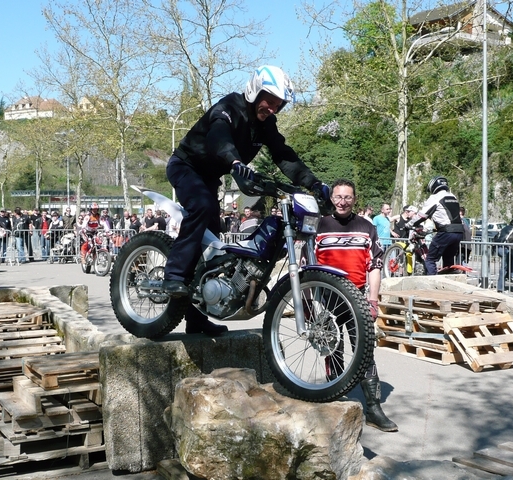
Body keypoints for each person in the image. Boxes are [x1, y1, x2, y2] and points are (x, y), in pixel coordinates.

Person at [161, 65, 328, 336]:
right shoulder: (229, 106)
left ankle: (197, 319)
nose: (272, 109)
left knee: (211, 246)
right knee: (202, 206)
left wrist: (314, 184)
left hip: (211, 178)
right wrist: (235, 161)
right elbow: (218, 136)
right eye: (269, 101)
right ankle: (174, 275)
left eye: (278, 105)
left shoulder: (266, 124)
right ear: (254, 91)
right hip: (186, 167)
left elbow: (283, 154)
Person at [314, 179, 397, 432]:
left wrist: (373, 301)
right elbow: (306, 264)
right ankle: (335, 402)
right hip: (326, 299)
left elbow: (375, 266)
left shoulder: (366, 227)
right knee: (332, 350)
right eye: (338, 197)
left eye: (347, 197)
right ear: (331, 199)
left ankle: (373, 408)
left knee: (365, 352)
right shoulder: (318, 225)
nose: (342, 202)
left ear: (355, 199)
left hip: (358, 298)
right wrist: (307, 305)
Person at [406, 176, 463, 275]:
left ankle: (432, 281)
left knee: (430, 260)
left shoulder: (435, 197)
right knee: (448, 261)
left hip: (446, 232)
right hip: (459, 232)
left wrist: (409, 224)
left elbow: (422, 215)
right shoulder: (452, 196)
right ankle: (447, 279)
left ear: (433, 186)